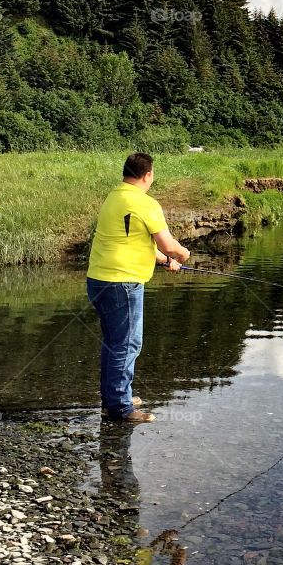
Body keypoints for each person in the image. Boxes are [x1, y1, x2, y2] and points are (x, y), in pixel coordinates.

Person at [86, 152, 191, 423]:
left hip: (98, 280)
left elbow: (136, 243)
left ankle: (115, 396)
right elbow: (169, 246)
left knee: (114, 343)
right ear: (148, 175)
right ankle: (120, 407)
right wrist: (182, 254)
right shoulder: (146, 203)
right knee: (127, 344)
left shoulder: (113, 197)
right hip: (123, 283)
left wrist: (166, 261)